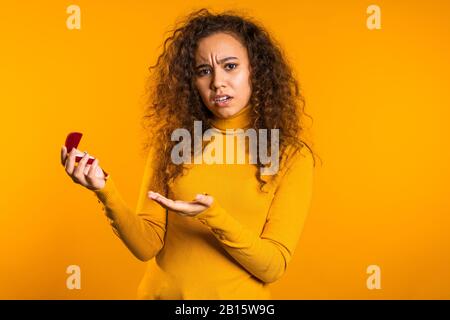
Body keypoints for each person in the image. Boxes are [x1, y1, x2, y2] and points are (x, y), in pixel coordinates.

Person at [60, 8, 317, 300]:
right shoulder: (174, 144)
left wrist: (212, 216)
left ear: (256, 70)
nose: (217, 81)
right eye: (203, 71)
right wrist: (104, 189)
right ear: (191, 81)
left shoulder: (290, 155)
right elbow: (147, 246)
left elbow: (272, 267)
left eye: (230, 66)